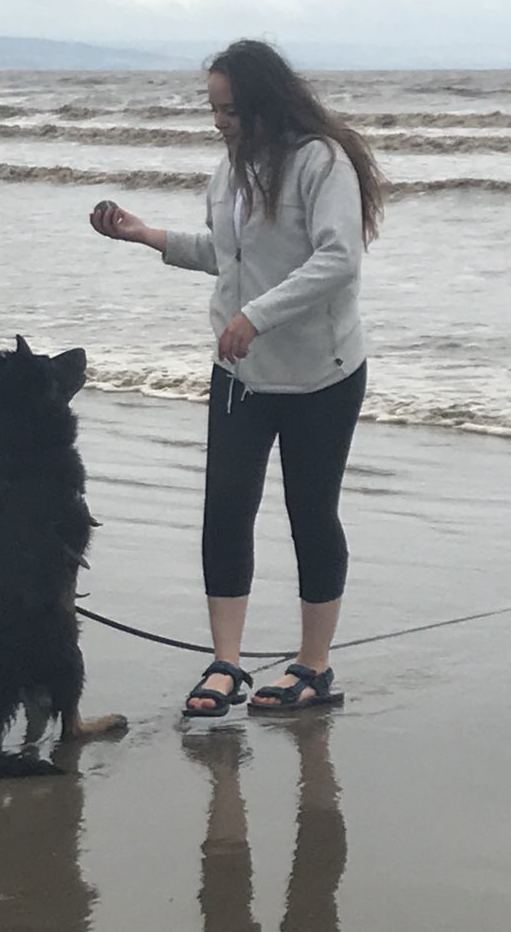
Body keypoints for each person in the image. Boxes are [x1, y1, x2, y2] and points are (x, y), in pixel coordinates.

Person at [90, 38, 382, 716]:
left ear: (265, 103)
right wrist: (146, 235)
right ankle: (225, 664)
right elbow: (227, 256)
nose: (219, 121)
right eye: (213, 108)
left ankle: (313, 668)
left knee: (311, 514)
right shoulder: (228, 173)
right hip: (241, 373)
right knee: (225, 510)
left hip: (322, 373)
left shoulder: (321, 161)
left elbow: (338, 260)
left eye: (230, 109)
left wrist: (257, 314)